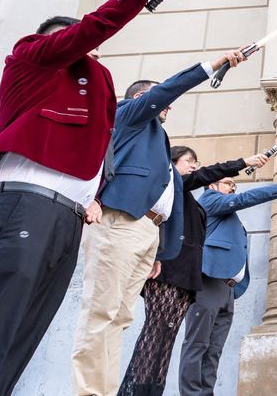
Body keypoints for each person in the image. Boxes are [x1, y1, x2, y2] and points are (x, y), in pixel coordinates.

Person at [0, 0, 192, 396]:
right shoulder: (31, 57)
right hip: (22, 206)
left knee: (21, 334)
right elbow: (87, 33)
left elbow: (98, 149)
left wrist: (93, 196)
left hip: (66, 218)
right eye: (87, 52)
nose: (95, 60)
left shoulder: (93, 95)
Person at [72, 49, 247, 396]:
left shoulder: (155, 140)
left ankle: (103, 391)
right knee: (101, 313)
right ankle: (89, 392)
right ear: (142, 98)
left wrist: (158, 251)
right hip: (120, 223)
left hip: (145, 233)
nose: (168, 107)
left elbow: (167, 197)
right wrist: (214, 64)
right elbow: (168, 90)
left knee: (120, 318)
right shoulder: (128, 115)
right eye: (160, 100)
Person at [118, 146, 269, 396]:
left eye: (195, 162)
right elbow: (207, 177)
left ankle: (157, 391)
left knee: (167, 341)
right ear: (173, 163)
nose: (194, 166)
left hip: (189, 277)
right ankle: (139, 392)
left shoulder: (187, 199)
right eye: (189, 161)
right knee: (158, 336)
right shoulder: (179, 187)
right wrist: (246, 163)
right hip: (172, 272)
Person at [179, 174, 277, 395]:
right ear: (212, 184)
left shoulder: (227, 213)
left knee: (214, 349)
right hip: (208, 282)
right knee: (197, 344)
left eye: (234, 185)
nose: (233, 188)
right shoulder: (210, 200)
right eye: (228, 183)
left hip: (227, 289)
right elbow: (246, 198)